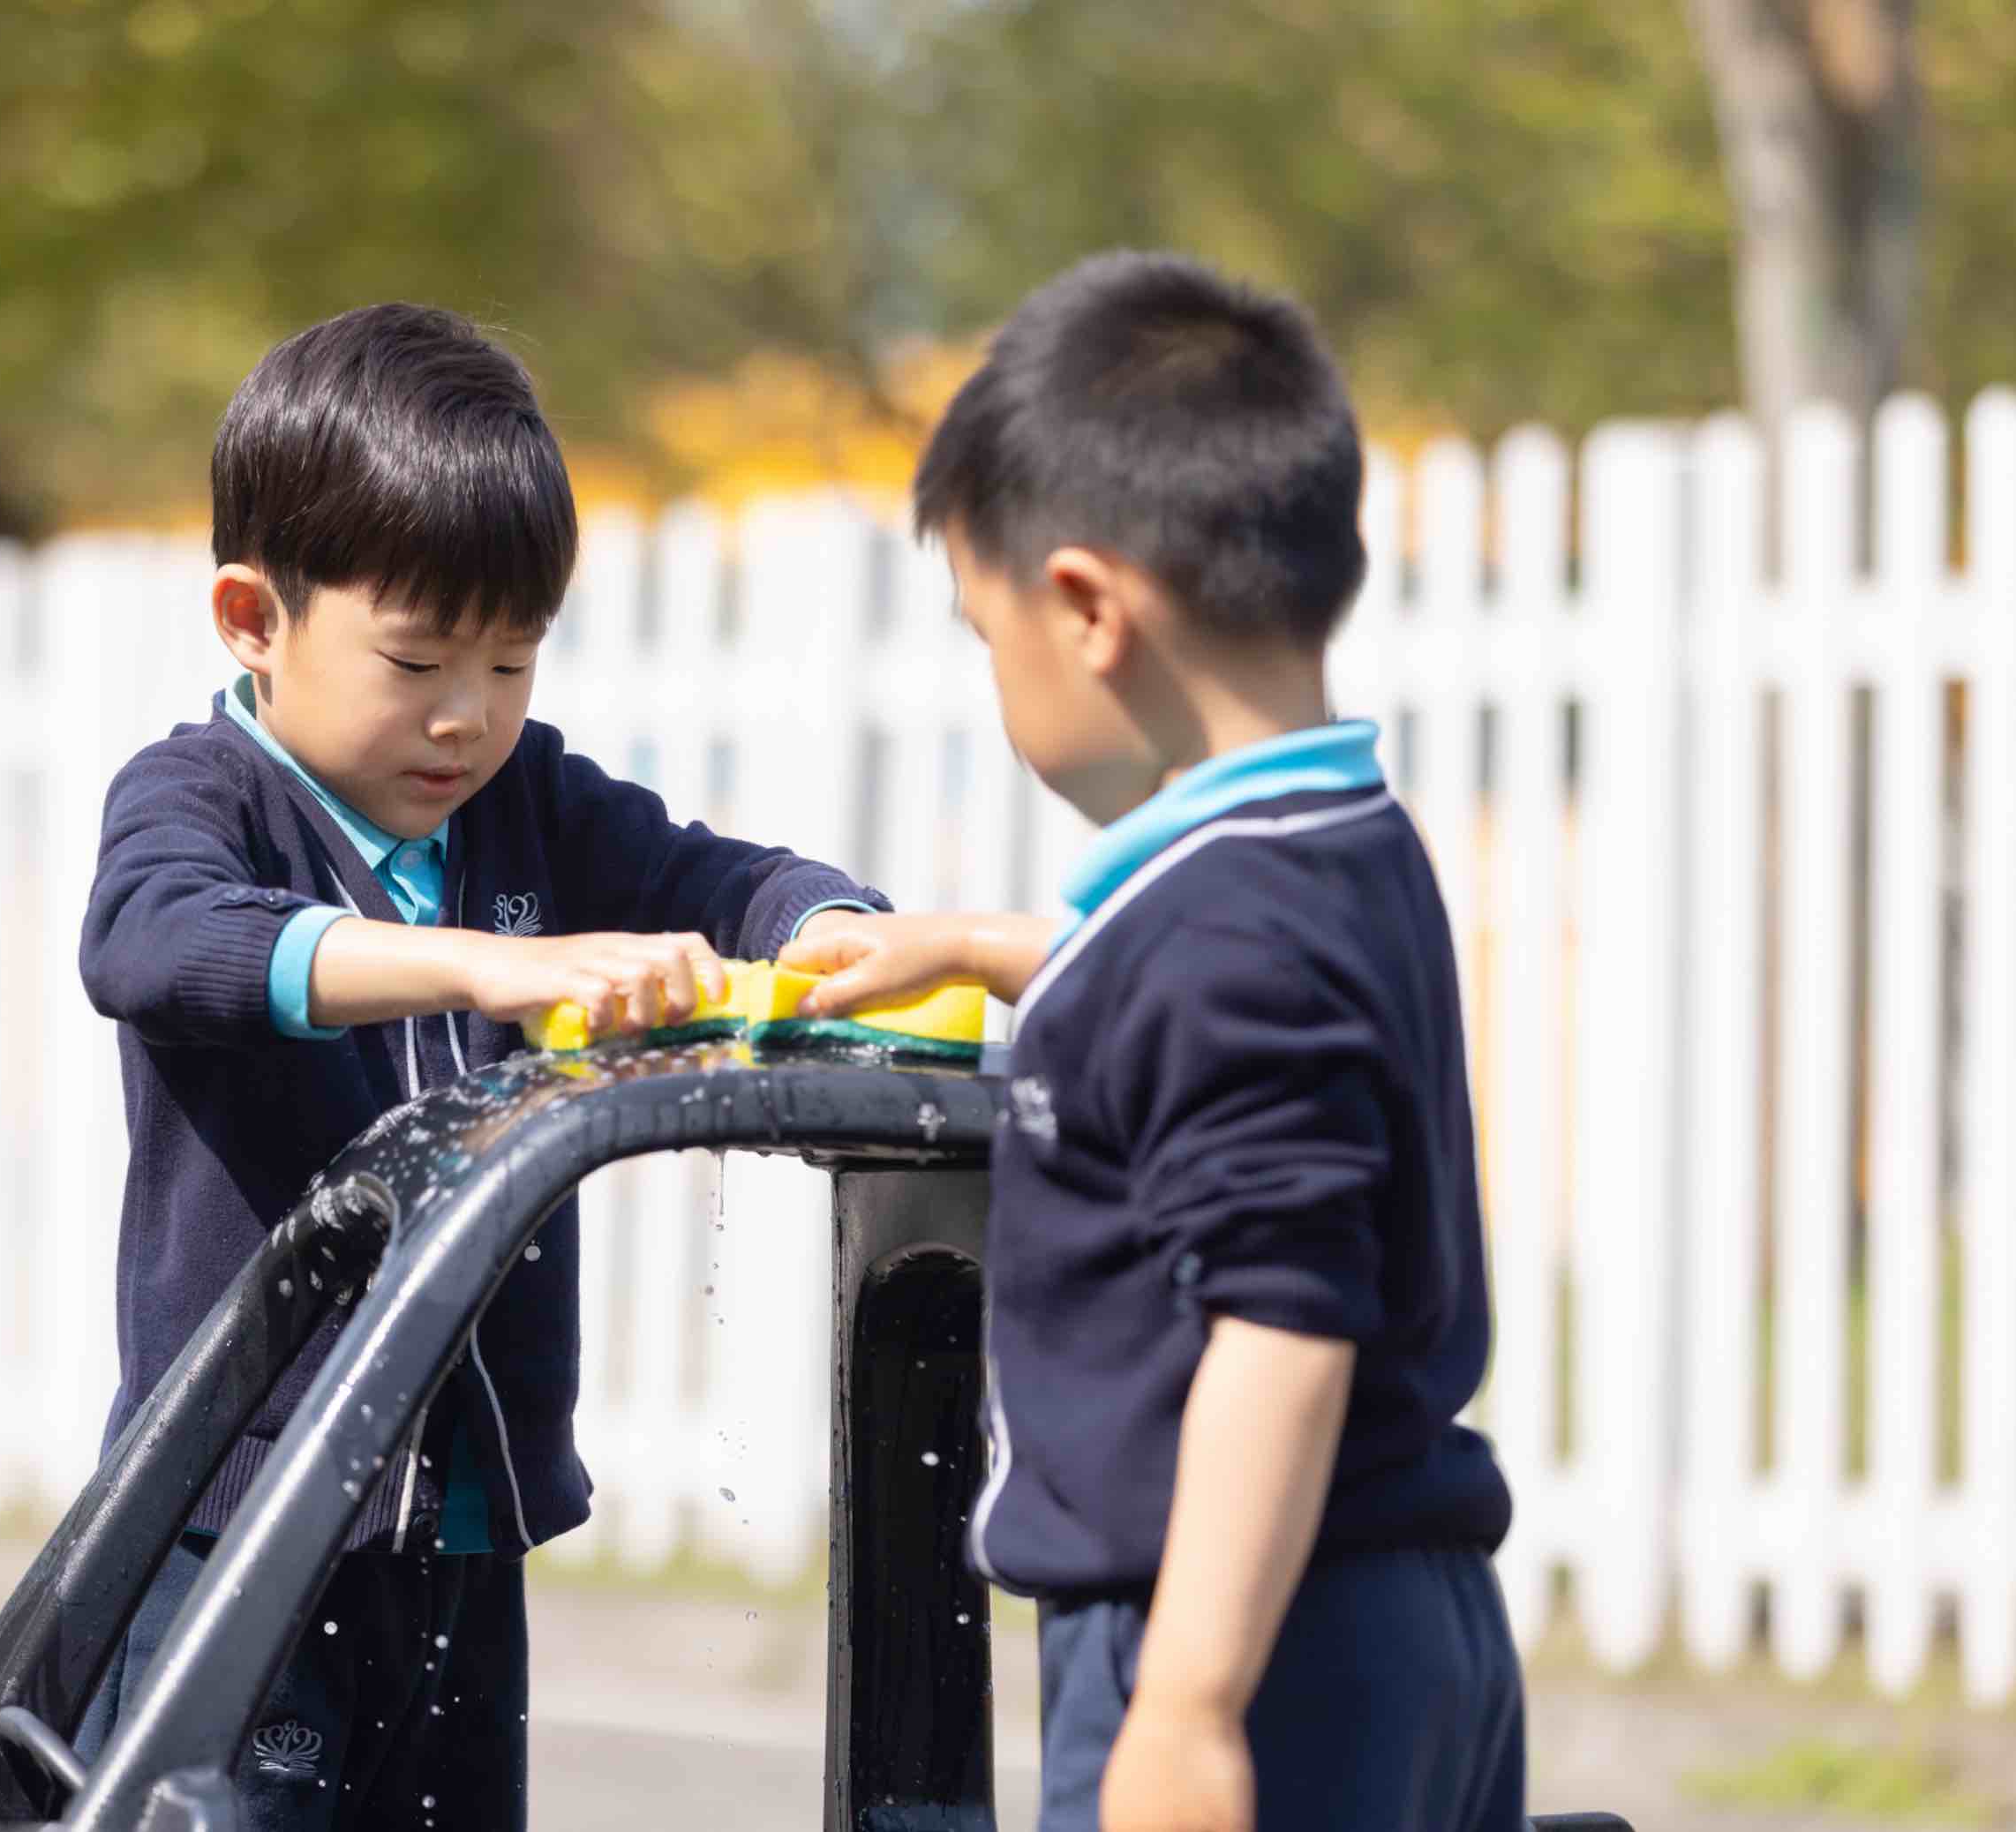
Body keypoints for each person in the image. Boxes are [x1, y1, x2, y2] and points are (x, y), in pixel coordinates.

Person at [73, 302, 883, 1829]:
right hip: (236, 1520)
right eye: (419, 659)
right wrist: (477, 965)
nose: (468, 716)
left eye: (512, 661)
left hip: (456, 1520)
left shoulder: (531, 805)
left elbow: (716, 874)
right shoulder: (200, 801)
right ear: (253, 618)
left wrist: (834, 930)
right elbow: (153, 943)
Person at [784, 252, 1519, 1832]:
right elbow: (1201, 1049)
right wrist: (986, 950)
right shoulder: (1329, 848)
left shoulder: (1224, 938)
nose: (999, 688)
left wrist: (1186, 1709)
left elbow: (1279, 1321)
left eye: (989, 642)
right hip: (1387, 1616)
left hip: (1246, 1633)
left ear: (1087, 610)